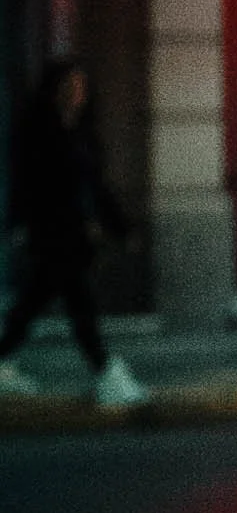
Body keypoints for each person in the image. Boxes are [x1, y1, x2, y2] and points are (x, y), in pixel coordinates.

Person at [0, 58, 144, 407]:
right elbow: (29, 185)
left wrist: (120, 229)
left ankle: (4, 357)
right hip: (53, 234)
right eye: (68, 86)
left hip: (74, 237)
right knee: (80, 307)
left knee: (31, 306)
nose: (76, 93)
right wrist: (21, 224)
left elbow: (98, 188)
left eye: (80, 86)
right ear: (54, 90)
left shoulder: (83, 134)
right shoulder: (40, 132)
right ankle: (107, 373)